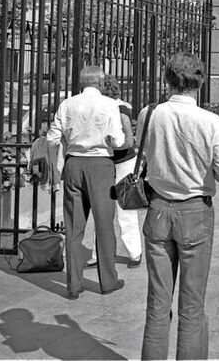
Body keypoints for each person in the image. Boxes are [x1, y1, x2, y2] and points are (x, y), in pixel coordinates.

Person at [139, 52, 219, 360]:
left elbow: (145, 153)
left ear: (167, 79)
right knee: (192, 306)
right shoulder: (211, 122)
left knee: (157, 303)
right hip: (194, 208)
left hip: (158, 206)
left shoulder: (149, 114)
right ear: (200, 82)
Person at [46, 66, 127, 299]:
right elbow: (117, 139)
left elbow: (52, 138)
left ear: (81, 83)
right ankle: (108, 281)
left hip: (74, 164)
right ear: (101, 82)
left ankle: (73, 285)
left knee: (73, 228)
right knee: (104, 226)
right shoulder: (109, 104)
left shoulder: (67, 104)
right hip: (100, 165)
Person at [84, 76, 142, 269]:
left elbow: (128, 141)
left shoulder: (119, 108)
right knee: (102, 209)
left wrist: (106, 145)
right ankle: (99, 253)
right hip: (109, 161)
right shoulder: (107, 106)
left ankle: (134, 252)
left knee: (124, 210)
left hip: (122, 161)